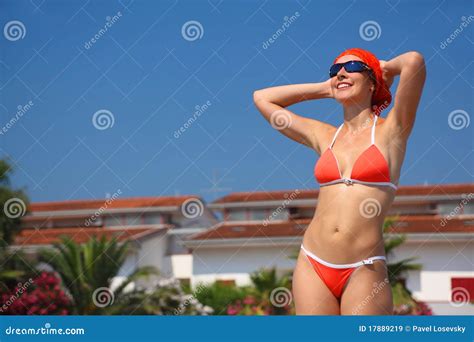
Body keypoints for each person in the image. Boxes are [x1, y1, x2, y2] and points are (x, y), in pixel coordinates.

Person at [253, 48, 426, 315]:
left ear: (372, 81)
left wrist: (387, 69)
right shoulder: (325, 136)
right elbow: (262, 98)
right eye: (335, 70)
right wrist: (326, 88)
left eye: (352, 66)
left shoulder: (393, 131)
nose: (341, 73)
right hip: (313, 262)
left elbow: (413, 61)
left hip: (364, 266)